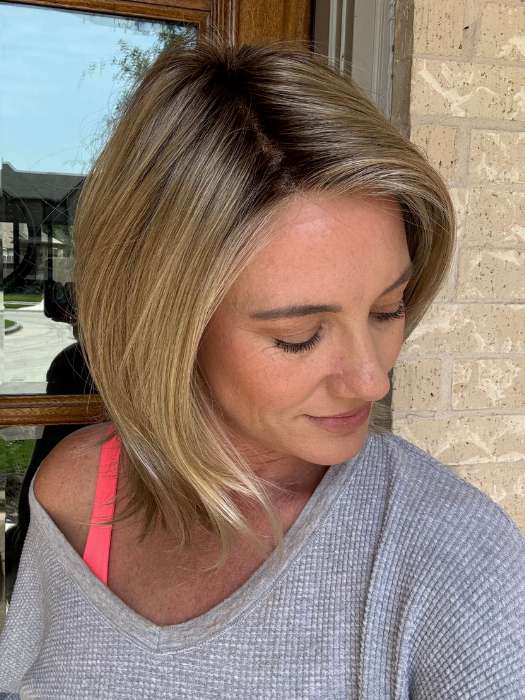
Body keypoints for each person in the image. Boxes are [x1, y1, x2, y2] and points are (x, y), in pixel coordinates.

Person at [1, 32, 524, 699]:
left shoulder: (457, 559)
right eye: (299, 336)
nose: (372, 379)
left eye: (387, 310)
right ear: (166, 326)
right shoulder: (74, 496)